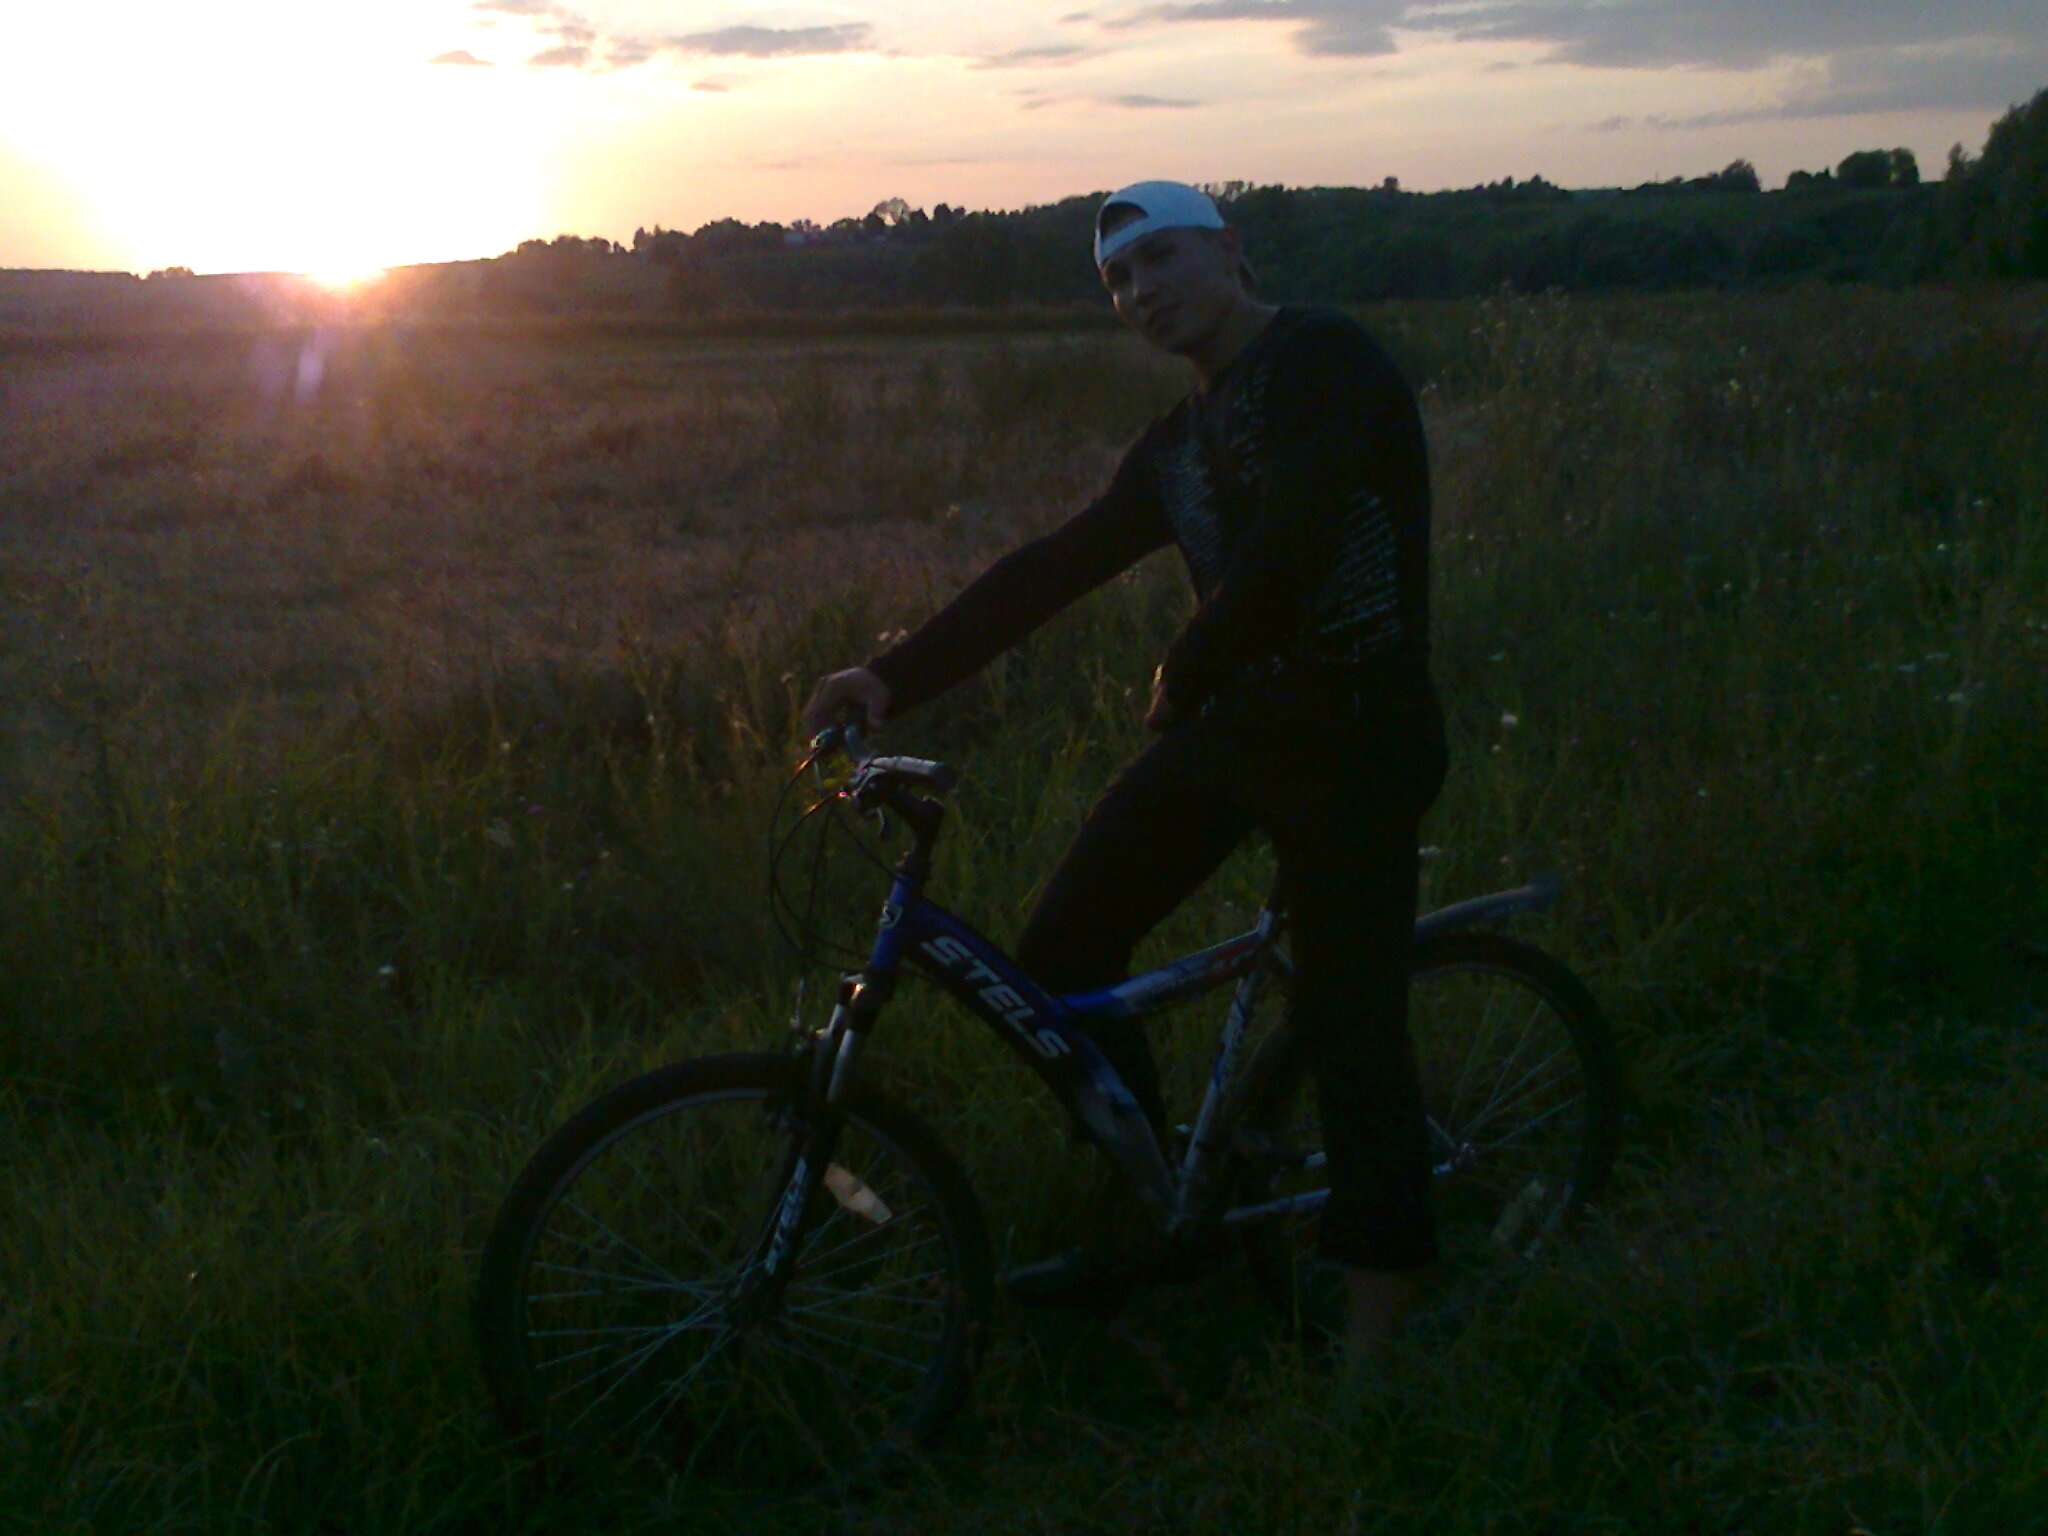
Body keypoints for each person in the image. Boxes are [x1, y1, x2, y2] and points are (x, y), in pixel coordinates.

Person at [801, 180, 1447, 1368]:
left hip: (1356, 742)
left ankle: (1373, 1350)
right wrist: (889, 676)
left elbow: (1299, 535)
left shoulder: (1323, 360)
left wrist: (1184, 665)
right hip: (1237, 737)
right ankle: (1153, 1206)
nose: (1140, 290)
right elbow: (1053, 568)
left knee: (1353, 1030)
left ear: (1228, 249)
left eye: (1159, 259)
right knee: (1058, 954)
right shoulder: (1175, 448)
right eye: (1116, 280)